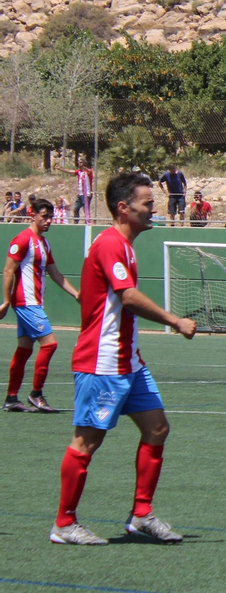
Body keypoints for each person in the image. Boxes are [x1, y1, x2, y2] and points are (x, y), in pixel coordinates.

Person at [52, 172, 198, 545]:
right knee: (87, 442)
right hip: (102, 362)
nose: (153, 209)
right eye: (147, 203)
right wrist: (175, 321)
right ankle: (64, 524)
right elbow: (128, 297)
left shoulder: (124, 247)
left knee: (157, 428)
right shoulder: (110, 244)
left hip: (128, 361)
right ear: (123, 208)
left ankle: (142, 515)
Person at [2, 198, 80, 413]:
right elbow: (8, 270)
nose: (48, 221)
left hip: (34, 303)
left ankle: (11, 398)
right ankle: (36, 394)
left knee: (24, 350)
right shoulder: (22, 239)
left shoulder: (44, 243)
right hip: (26, 302)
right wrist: (6, 301)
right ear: (32, 215)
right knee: (49, 344)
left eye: (50, 217)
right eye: (44, 217)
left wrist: (76, 294)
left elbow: (55, 274)